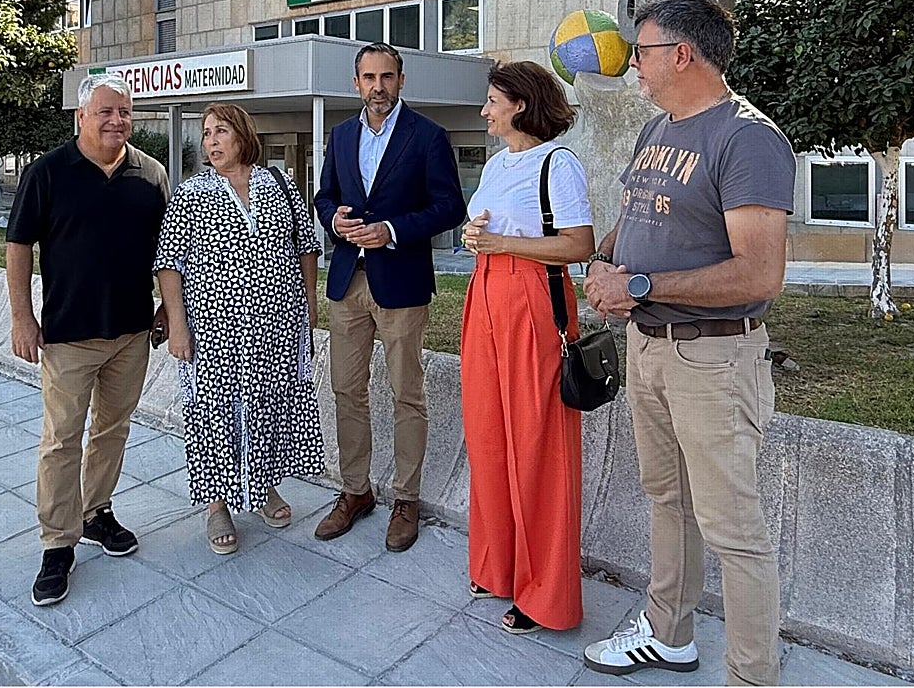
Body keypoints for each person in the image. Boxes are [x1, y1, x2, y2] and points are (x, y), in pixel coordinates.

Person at [581, 0, 796, 685]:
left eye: (640, 51)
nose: (630, 64)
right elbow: (634, 216)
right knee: (667, 501)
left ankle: (751, 676)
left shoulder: (747, 137)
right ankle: (669, 635)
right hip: (648, 350)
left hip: (713, 357)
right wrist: (605, 263)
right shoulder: (659, 131)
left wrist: (639, 287)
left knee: (735, 531)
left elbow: (758, 272)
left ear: (682, 54)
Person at [6, 73, 170, 608]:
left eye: (124, 111)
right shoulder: (47, 173)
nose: (117, 120)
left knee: (112, 429)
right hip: (69, 335)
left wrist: (169, 307)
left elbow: (173, 249)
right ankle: (57, 543)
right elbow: (18, 246)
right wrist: (22, 319)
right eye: (105, 111)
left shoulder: (152, 175)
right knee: (60, 439)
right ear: (81, 116)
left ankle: (96, 511)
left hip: (131, 331)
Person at [313, 42, 466, 552]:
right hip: (346, 283)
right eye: (368, 78)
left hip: (400, 283)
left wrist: (394, 230)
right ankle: (355, 491)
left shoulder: (428, 137)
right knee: (344, 389)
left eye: (387, 77)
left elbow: (450, 208)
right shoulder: (339, 136)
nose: (377, 86)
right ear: (355, 83)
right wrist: (332, 218)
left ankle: (407, 498)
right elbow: (325, 195)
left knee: (406, 393)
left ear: (402, 80)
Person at [459, 61, 595, 635]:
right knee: (487, 433)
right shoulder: (495, 164)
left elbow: (577, 245)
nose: (485, 110)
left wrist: (499, 241)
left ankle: (547, 592)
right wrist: (476, 240)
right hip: (484, 295)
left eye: (493, 100)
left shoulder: (557, 164)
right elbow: (486, 229)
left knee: (539, 444)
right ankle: (498, 565)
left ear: (519, 104)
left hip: (533, 302)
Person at [154, 103, 324, 554]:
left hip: (277, 327)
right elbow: (168, 264)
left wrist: (307, 306)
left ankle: (264, 487)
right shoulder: (191, 193)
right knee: (214, 417)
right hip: (214, 330)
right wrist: (177, 325)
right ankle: (216, 507)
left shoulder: (280, 185)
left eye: (220, 131)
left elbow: (306, 247)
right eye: (206, 133)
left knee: (270, 408)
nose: (210, 141)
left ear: (243, 135)